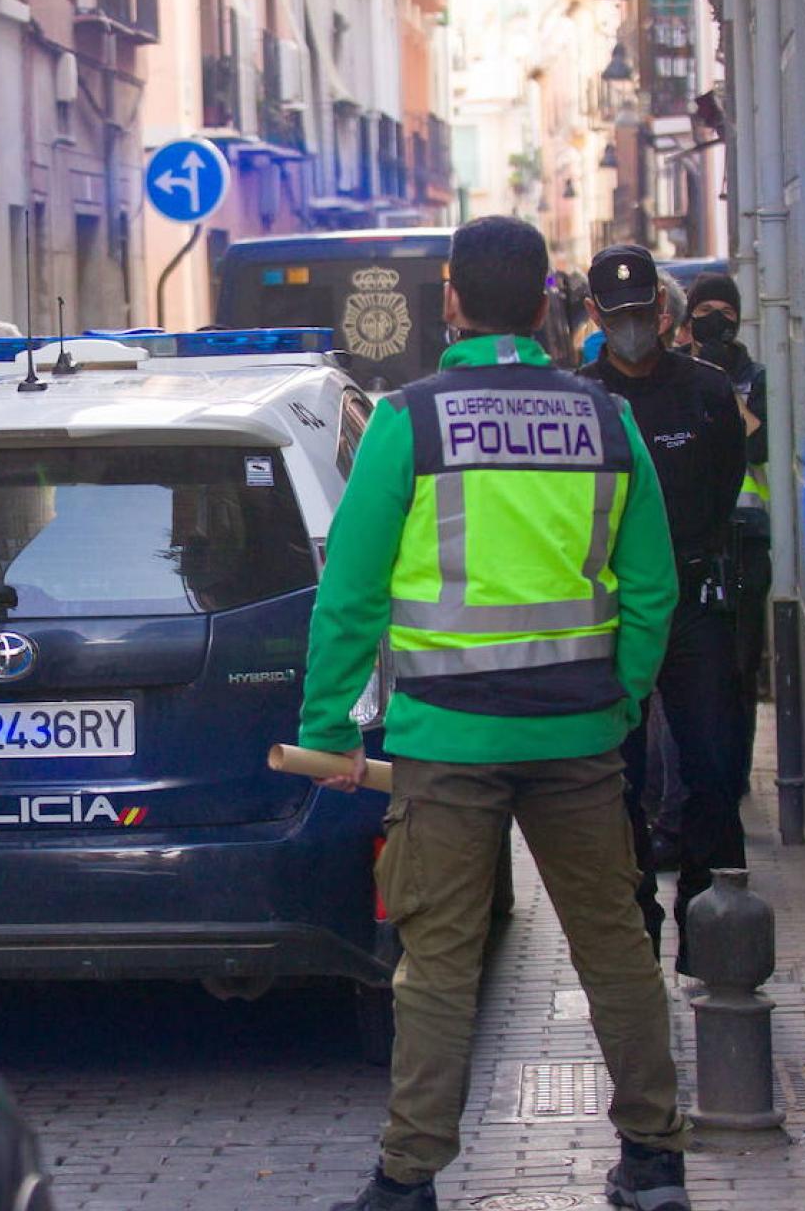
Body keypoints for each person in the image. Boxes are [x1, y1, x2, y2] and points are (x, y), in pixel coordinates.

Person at [298, 217, 692, 1211]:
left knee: (436, 963)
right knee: (615, 947)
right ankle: (655, 1161)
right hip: (577, 734)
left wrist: (329, 731)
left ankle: (410, 1177)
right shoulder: (607, 421)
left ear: (451, 299)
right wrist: (621, 698)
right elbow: (652, 587)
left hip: (446, 743)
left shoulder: (407, 423)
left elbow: (349, 593)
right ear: (551, 300)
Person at [580, 245, 747, 977]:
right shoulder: (579, 401)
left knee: (712, 768)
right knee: (618, 780)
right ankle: (636, 919)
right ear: (595, 318)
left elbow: (724, 488)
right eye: (616, 316)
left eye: (642, 312)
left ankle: (710, 920)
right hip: (609, 614)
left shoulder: (707, 394)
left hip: (692, 605)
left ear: (663, 310)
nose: (632, 327)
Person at [684, 271, 772, 797]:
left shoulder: (754, 377)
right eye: (706, 309)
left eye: (726, 311)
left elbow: (756, 445)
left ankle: (734, 776)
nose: (716, 320)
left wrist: (719, 380)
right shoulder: (676, 376)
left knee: (740, 668)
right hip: (695, 538)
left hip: (746, 537)